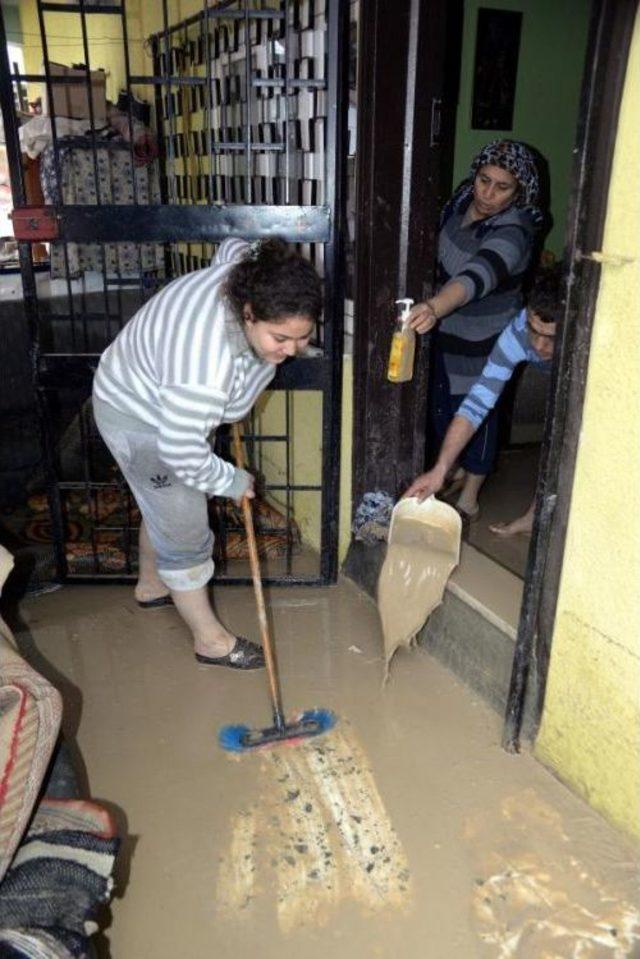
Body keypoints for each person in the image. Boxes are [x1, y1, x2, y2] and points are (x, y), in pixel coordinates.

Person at [92, 237, 322, 670]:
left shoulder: (243, 274)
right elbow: (181, 452)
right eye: (280, 338)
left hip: (158, 396)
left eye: (303, 336)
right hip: (140, 418)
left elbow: (235, 246)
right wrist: (231, 481)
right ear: (248, 313)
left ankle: (151, 586)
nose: (292, 351)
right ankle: (210, 642)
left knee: (161, 505)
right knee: (185, 525)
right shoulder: (204, 365)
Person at [407, 139, 545, 523]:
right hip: (449, 329)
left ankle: (470, 496)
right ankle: (453, 469)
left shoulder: (514, 229)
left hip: (487, 335)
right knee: (445, 405)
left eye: (503, 187)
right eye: (485, 180)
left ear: (520, 192)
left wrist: (434, 306)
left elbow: (476, 275)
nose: (488, 193)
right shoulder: (459, 203)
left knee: (480, 411)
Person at [404, 270, 562, 537]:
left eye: (551, 338)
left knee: (562, 433)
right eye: (534, 332)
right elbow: (475, 405)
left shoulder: (588, 342)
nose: (538, 345)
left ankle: (535, 516)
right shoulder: (517, 331)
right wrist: (439, 470)